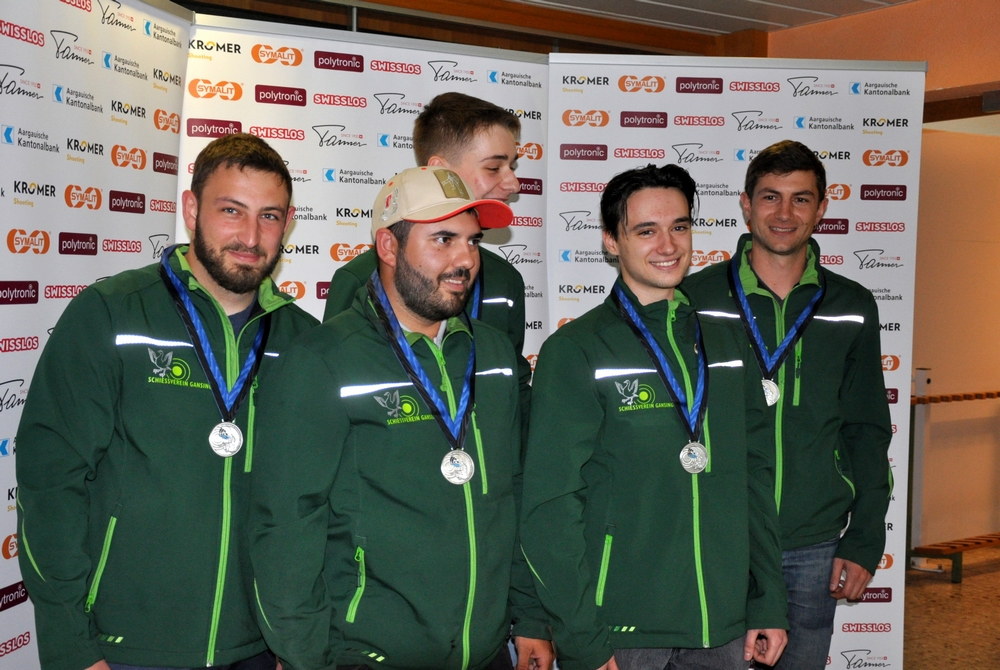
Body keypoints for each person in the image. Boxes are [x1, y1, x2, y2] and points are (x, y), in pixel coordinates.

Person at [15, 133, 319, 670]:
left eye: (269, 216)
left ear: (288, 223)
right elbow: (50, 485)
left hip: (261, 649)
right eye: (231, 210)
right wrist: (70, 647)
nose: (251, 236)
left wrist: (298, 642)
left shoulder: (305, 342)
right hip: (125, 649)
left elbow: (314, 508)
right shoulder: (112, 313)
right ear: (191, 209)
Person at [249, 167, 552, 670]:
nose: (466, 260)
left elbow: (514, 495)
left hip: (487, 652)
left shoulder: (496, 354)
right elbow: (285, 523)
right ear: (388, 247)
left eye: (473, 241)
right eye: (443, 240)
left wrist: (531, 617)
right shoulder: (323, 359)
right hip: (369, 656)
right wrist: (304, 655)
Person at [520, 164, 787, 670]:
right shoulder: (576, 350)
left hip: (722, 625)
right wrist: (580, 638)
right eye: (646, 231)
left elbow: (755, 477)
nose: (668, 245)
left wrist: (768, 598)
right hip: (620, 630)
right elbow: (550, 508)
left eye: (679, 226)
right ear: (611, 241)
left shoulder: (728, 344)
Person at [682, 140, 892, 670]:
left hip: (813, 543)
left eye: (801, 199)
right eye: (770, 196)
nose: (784, 213)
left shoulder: (852, 304)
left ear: (822, 208)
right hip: (717, 537)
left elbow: (867, 428)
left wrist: (865, 538)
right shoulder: (694, 298)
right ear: (745, 204)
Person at [323, 93, 531, 438]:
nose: (513, 183)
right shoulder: (360, 279)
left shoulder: (506, 280)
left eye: (512, 166)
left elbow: (514, 391)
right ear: (439, 170)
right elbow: (336, 387)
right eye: (494, 167)